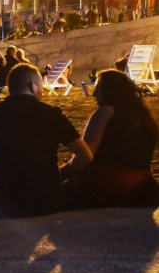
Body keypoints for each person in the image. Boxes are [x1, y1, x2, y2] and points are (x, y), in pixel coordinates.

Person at [0, 64, 92, 221]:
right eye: (40, 87)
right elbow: (85, 155)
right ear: (32, 86)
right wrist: (59, 174)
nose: (42, 92)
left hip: (9, 199)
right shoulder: (51, 114)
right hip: (49, 200)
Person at [63, 69, 159, 208]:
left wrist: (60, 174)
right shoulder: (143, 113)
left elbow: (85, 156)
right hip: (142, 186)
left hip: (110, 183)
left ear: (110, 90)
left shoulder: (105, 112)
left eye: (98, 89)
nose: (94, 94)